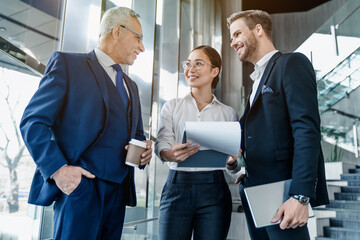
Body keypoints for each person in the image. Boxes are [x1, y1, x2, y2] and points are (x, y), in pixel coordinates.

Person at [19, 7, 152, 239]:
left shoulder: (131, 86)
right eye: (138, 38)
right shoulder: (68, 65)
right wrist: (58, 170)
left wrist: (144, 151)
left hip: (118, 192)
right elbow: (33, 121)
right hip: (80, 188)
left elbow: (137, 135)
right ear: (117, 31)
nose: (142, 47)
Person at [225, 10, 329, 240]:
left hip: (282, 196)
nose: (232, 42)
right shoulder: (256, 82)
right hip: (255, 192)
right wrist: (240, 165)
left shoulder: (291, 63)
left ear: (259, 30)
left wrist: (300, 196)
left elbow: (306, 132)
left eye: (237, 34)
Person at [155, 45, 238, 240]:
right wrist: (169, 154)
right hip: (177, 186)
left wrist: (232, 162)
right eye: (188, 63)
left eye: (198, 64)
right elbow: (162, 144)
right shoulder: (171, 107)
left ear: (214, 71)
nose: (190, 69)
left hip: (214, 189)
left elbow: (235, 166)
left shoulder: (228, 113)